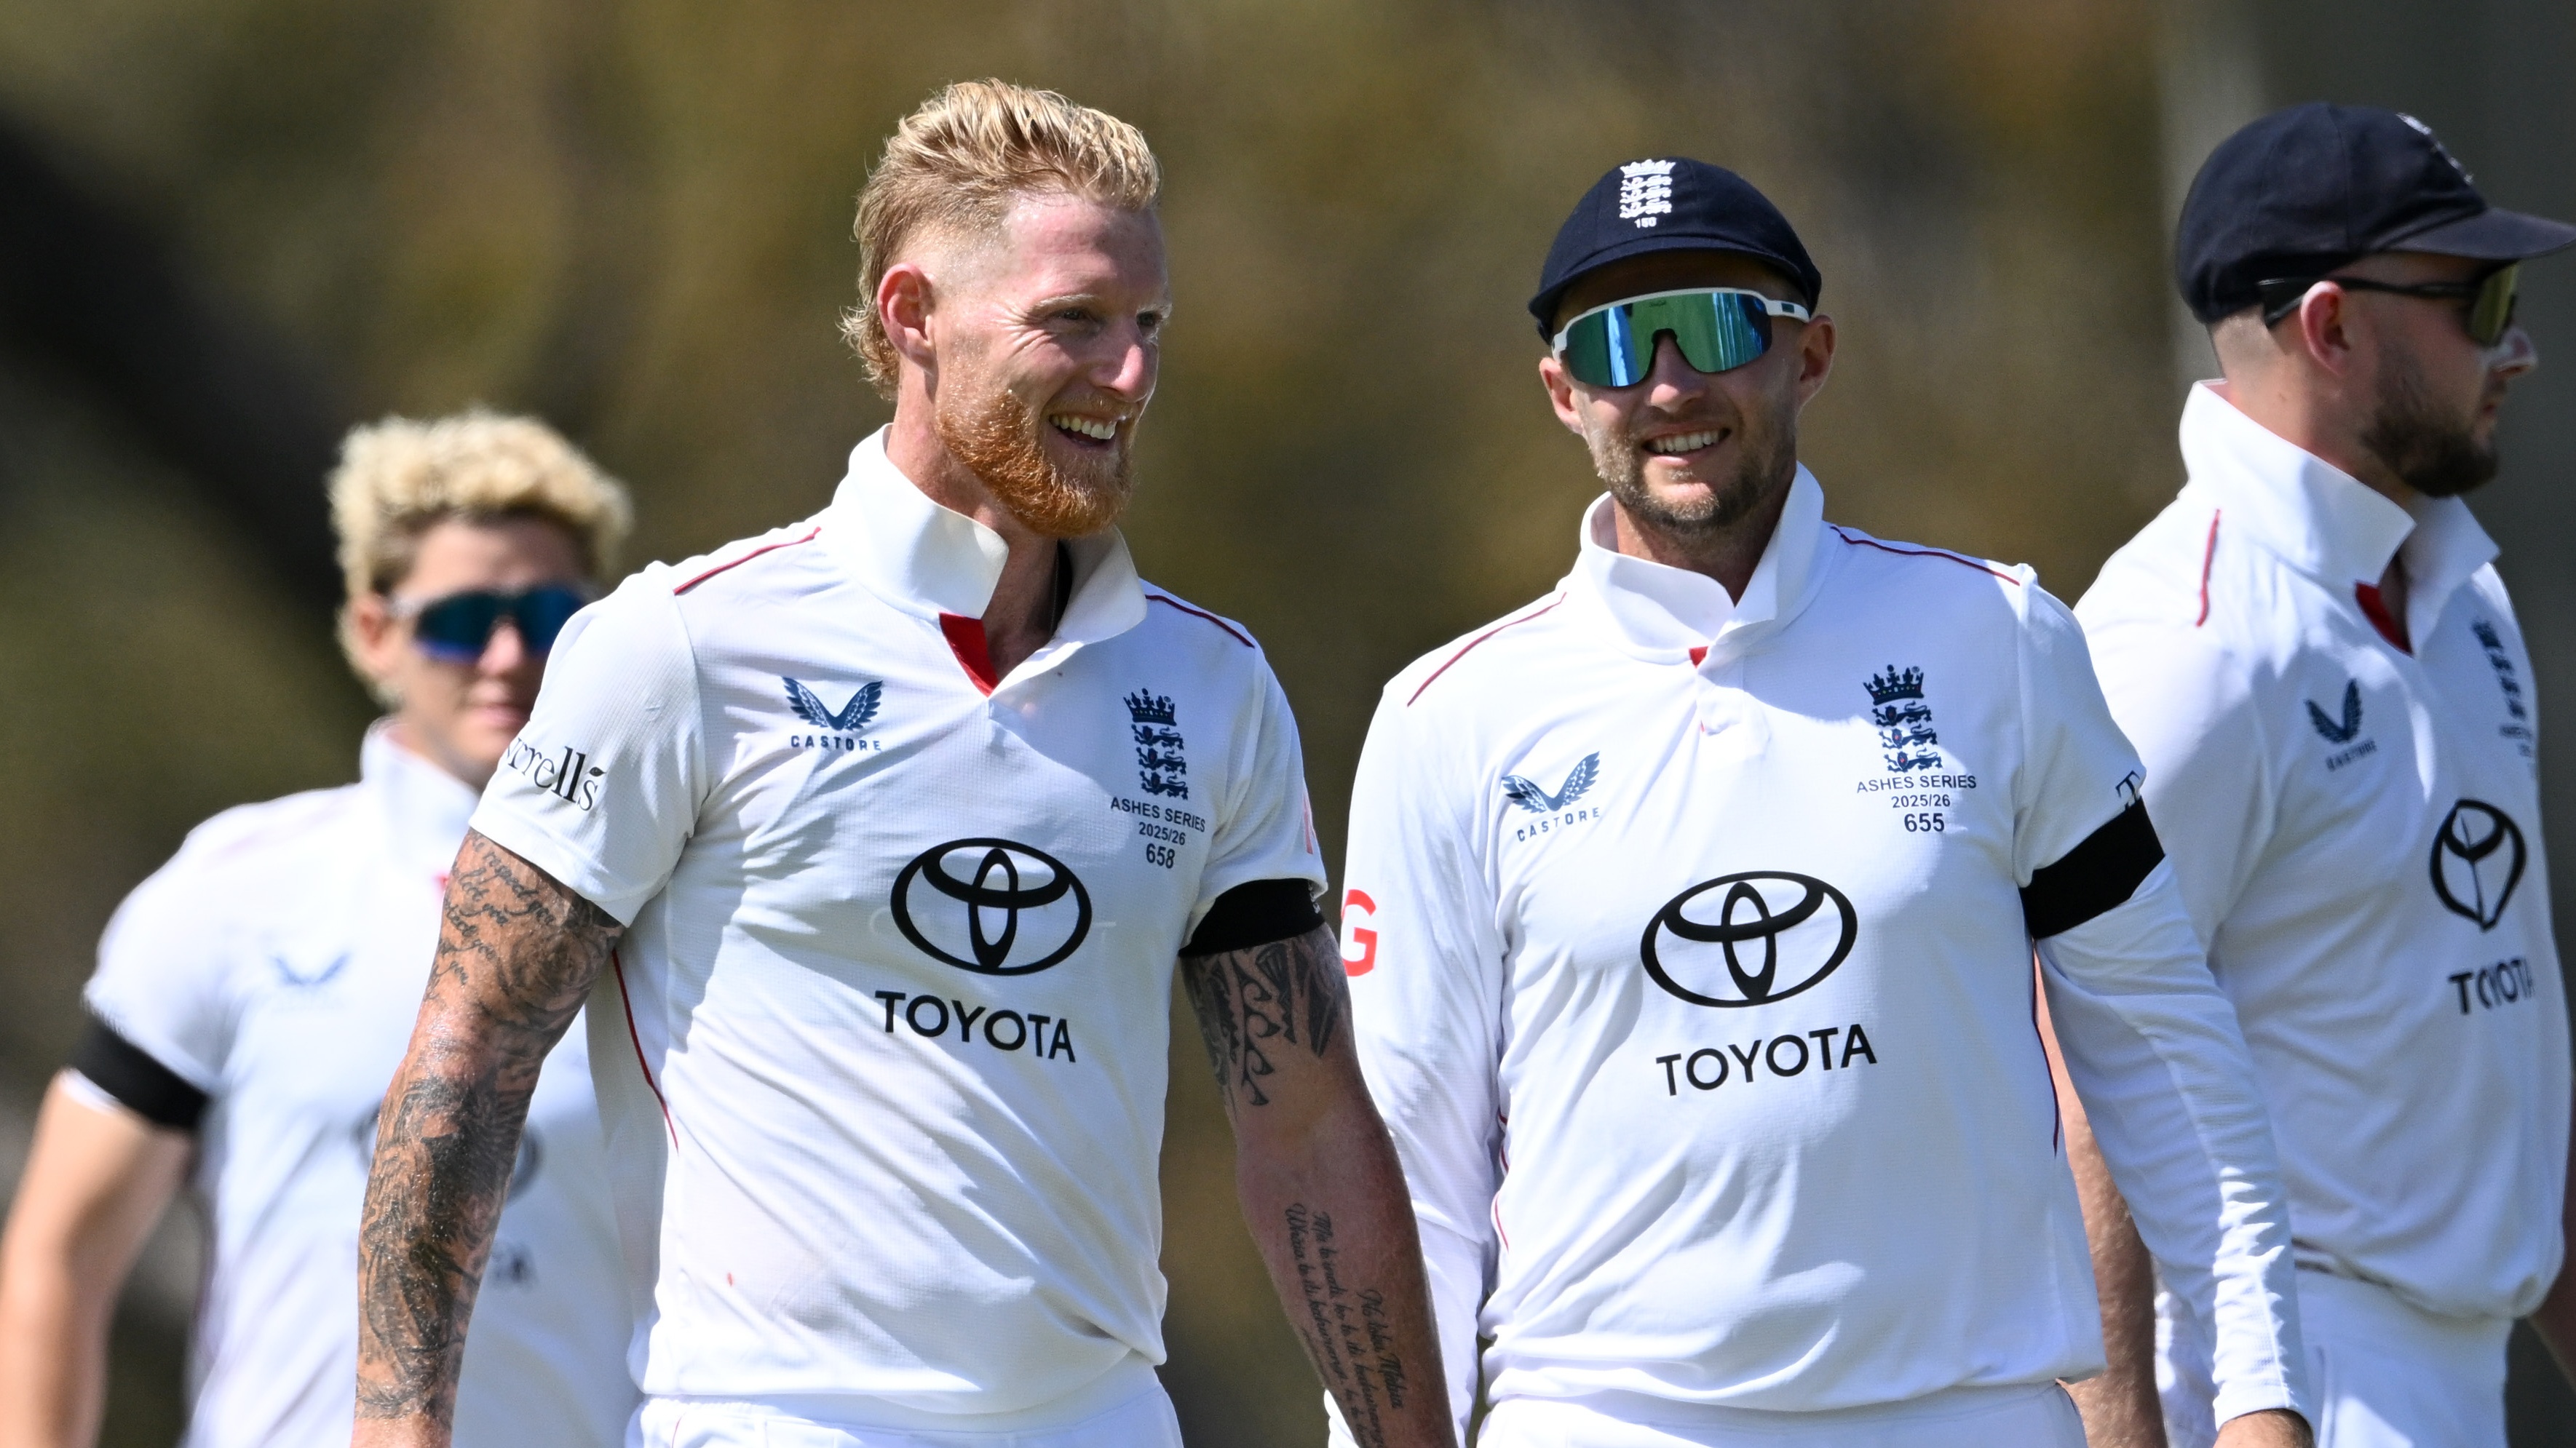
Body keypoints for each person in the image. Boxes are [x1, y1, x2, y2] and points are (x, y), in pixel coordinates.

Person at [344, 81, 1455, 1448]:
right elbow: (469, 1053)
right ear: (912, 314)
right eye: (1076, 324)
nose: (1131, 377)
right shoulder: (682, 647)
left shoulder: (1212, 686)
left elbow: (1302, 1122)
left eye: (1148, 326)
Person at [1335, 157, 2315, 1448]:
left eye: (1724, 324)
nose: (1673, 383)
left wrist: (2258, 1395)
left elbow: (2165, 1046)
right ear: (1563, 392)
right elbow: (1412, 1176)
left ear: (1811, 353)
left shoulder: (1999, 635)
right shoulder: (1444, 717)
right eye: (1621, 341)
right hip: (1607, 1419)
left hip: (1967, 1414)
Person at [2074, 103, 2576, 1448]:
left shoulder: (2460, 591)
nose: (2515, 342)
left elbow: (2504, 1032)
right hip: (2298, 1391)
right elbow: (2077, 1070)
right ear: (2331, 326)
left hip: (2460, 1378)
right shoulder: (2186, 647)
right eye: (2479, 296)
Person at [0, 412, 641, 1448]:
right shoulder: (236, 892)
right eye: (465, 616)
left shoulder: (671, 905)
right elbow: (60, 1251)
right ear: (375, 631)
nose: (510, 653)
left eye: (551, 611)